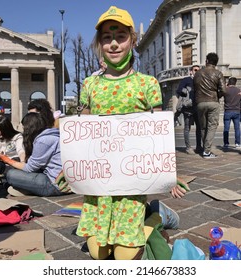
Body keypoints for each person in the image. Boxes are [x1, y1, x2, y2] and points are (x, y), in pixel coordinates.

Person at [75, 6, 189, 260]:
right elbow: (82, 133)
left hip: (131, 180)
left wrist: (168, 174)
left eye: (121, 37)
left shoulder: (147, 84)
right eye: (107, 37)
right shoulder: (90, 85)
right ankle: (142, 219)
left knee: (125, 256)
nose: (113, 44)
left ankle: (156, 215)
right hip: (100, 182)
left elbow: (157, 134)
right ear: (100, 43)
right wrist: (70, 167)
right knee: (98, 252)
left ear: (132, 41)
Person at [0, 112, 71, 197]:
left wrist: (6, 159)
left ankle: (28, 189)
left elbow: (29, 168)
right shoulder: (53, 135)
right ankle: (26, 188)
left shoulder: (43, 140)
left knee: (10, 174)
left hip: (55, 185)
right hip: (62, 180)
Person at [193, 52, 226, 158]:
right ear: (216, 63)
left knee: (203, 127)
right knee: (212, 126)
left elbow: (195, 89)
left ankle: (204, 149)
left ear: (206, 61)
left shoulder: (197, 73)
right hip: (213, 102)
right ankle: (207, 151)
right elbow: (224, 90)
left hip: (200, 103)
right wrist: (218, 96)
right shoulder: (218, 73)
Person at [175, 65, 202, 154]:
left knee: (199, 128)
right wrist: (186, 92)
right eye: (195, 70)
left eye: (198, 70)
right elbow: (178, 90)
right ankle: (188, 148)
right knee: (187, 128)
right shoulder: (186, 80)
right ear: (191, 71)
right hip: (188, 108)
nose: (197, 71)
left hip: (198, 107)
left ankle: (199, 147)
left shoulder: (201, 81)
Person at [223, 77, 241, 148]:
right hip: (237, 111)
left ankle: (226, 143)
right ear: (235, 83)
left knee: (226, 128)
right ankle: (237, 143)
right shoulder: (239, 90)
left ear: (229, 82)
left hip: (228, 111)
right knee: (237, 128)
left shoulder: (226, 90)